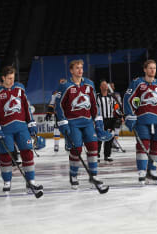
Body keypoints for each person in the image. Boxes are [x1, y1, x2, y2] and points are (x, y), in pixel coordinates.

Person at [55, 59, 112, 190]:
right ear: (71, 70)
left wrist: (98, 122)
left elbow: (94, 105)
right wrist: (63, 123)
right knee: (77, 150)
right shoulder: (65, 86)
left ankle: (94, 176)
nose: (80, 70)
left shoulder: (89, 84)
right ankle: (73, 175)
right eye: (77, 68)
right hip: (72, 123)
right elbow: (59, 106)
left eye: (81, 68)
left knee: (93, 147)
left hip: (87, 122)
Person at [0, 66, 43, 194]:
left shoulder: (19, 88)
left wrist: (31, 123)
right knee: (6, 156)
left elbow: (26, 107)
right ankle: (7, 182)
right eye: (9, 78)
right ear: (3, 78)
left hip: (22, 127)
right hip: (5, 129)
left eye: (13, 78)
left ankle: (31, 181)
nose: (11, 81)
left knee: (27, 152)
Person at [123, 59, 157, 185]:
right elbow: (127, 99)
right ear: (145, 69)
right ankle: (142, 173)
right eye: (150, 68)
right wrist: (129, 115)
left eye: (154, 68)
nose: (153, 70)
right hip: (141, 120)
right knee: (143, 146)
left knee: (156, 146)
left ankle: (152, 172)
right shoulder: (137, 83)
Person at [96, 80, 118, 162]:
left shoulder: (111, 97)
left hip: (110, 120)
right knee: (99, 138)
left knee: (109, 137)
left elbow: (116, 107)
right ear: (100, 87)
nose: (105, 86)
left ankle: (107, 155)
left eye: (106, 85)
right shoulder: (96, 97)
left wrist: (119, 115)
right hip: (100, 120)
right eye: (103, 85)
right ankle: (97, 155)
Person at [45, 78, 68, 152]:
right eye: (61, 82)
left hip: (68, 114)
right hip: (58, 114)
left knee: (68, 130)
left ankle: (67, 144)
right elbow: (52, 103)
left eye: (64, 82)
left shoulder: (70, 91)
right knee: (56, 129)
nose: (62, 83)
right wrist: (49, 113)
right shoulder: (55, 93)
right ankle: (56, 145)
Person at [109, 82, 124, 152]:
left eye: (113, 86)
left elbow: (119, 104)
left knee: (117, 129)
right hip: (109, 115)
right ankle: (111, 143)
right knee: (111, 130)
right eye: (112, 86)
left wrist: (121, 114)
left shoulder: (117, 94)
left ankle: (114, 143)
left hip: (117, 114)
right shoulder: (106, 95)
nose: (113, 88)